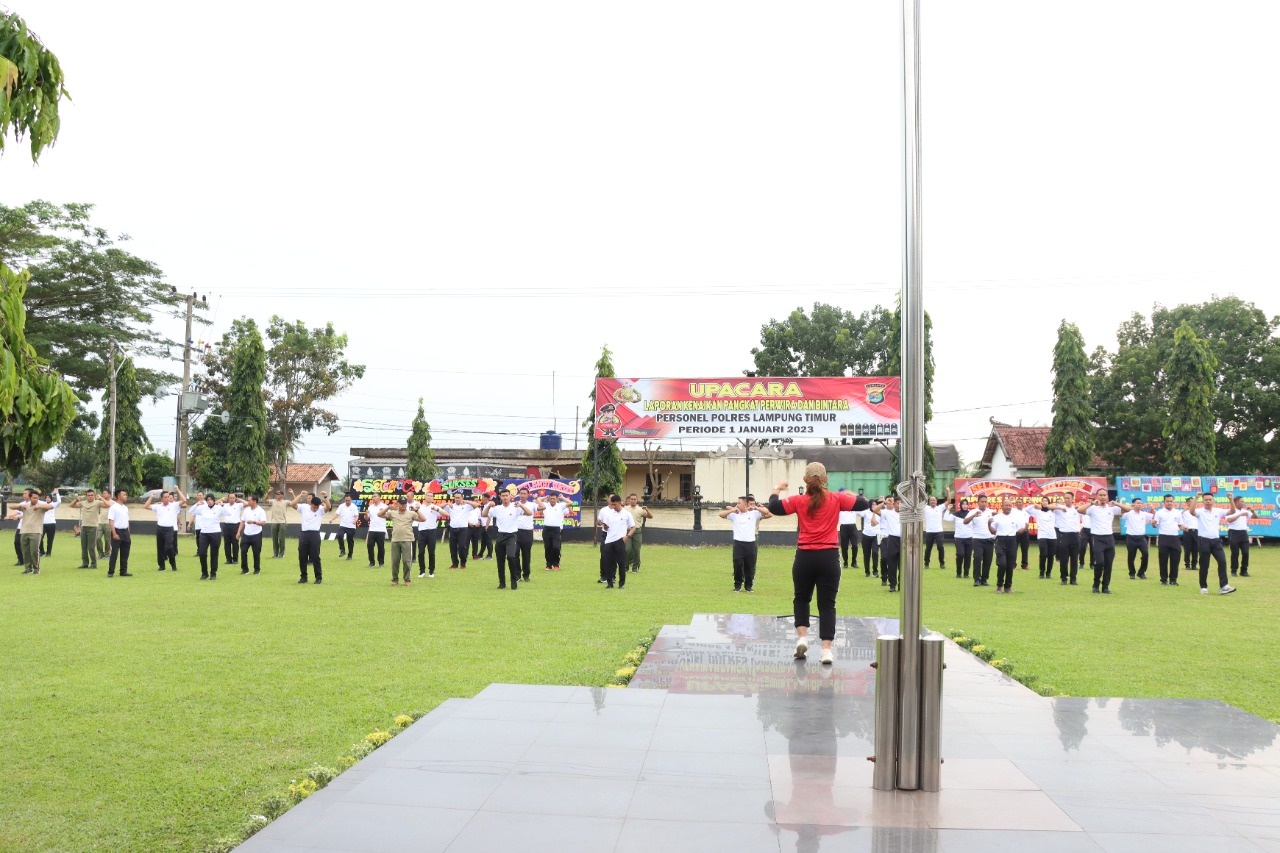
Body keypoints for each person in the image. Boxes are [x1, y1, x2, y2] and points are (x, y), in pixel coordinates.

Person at [768, 463, 870, 666]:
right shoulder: (837, 499)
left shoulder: (798, 501)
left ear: (805, 481)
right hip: (828, 557)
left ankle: (802, 638)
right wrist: (849, 493)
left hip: (804, 557)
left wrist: (777, 489)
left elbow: (773, 507)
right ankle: (826, 650)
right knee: (827, 605)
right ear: (825, 480)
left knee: (801, 599)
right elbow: (864, 503)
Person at [719, 495, 773, 592]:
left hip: (750, 544)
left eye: (739, 503)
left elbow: (767, 512)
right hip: (738, 544)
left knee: (750, 565)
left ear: (745, 504)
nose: (738, 504)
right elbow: (721, 515)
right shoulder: (735, 515)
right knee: (738, 564)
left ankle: (748, 586)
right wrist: (733, 510)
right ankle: (737, 585)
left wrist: (756, 507)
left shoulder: (753, 514)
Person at [1188, 491, 1235, 595]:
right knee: (1204, 564)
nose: (1208, 502)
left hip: (1216, 540)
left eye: (1210, 500)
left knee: (1222, 561)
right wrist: (1196, 498)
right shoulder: (1200, 511)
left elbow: (1232, 511)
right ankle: (1203, 586)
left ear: (1213, 500)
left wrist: (1231, 499)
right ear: (1203, 501)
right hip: (1203, 540)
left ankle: (1224, 586)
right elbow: (1191, 512)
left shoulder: (1218, 511)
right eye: (1206, 500)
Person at [483, 490, 531, 589]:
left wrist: (521, 505)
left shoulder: (515, 507)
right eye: (503, 496)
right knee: (500, 560)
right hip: (500, 535)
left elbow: (529, 513)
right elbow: (484, 515)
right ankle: (502, 583)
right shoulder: (497, 508)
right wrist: (488, 506)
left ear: (510, 497)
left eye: (507, 495)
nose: (505, 497)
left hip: (512, 535)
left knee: (511, 557)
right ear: (500, 497)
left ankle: (514, 581)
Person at [379, 496, 425, 586]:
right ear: (398, 504)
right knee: (395, 560)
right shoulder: (393, 513)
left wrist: (416, 510)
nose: (403, 505)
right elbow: (379, 514)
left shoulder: (411, 513)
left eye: (405, 503)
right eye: (401, 503)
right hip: (395, 540)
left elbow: (423, 519)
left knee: (406, 561)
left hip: (407, 540)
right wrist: (388, 507)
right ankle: (395, 579)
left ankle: (407, 579)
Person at [1084, 491, 1122, 594]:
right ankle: (1096, 585)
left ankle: (1105, 586)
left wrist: (1116, 503)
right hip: (1097, 538)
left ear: (1107, 496)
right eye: (1100, 495)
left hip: (1109, 538)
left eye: (1104, 495)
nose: (1102, 497)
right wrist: (1091, 503)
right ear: (1097, 497)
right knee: (1100, 562)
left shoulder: (1111, 508)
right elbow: (1080, 510)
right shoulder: (1093, 508)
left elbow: (1127, 510)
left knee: (1109, 564)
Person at [597, 493, 635, 589]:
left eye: (615, 504)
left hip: (620, 541)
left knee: (621, 563)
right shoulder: (609, 514)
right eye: (612, 504)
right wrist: (604, 526)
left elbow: (633, 527)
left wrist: (627, 536)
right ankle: (609, 583)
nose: (613, 506)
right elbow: (605, 528)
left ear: (620, 503)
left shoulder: (627, 514)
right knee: (608, 562)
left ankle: (621, 583)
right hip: (609, 541)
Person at [10, 491, 55, 574]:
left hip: (36, 531)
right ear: (30, 498)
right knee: (25, 551)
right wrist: (20, 506)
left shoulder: (41, 506)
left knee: (34, 551)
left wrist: (39, 506)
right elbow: (11, 506)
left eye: (37, 498)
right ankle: (28, 569)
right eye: (34, 498)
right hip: (24, 531)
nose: (36, 499)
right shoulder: (25, 505)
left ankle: (36, 569)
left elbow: (51, 506)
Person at [292, 491, 331, 584]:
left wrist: (325, 496)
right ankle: (303, 577)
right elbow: (293, 504)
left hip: (315, 534)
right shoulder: (304, 507)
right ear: (311, 503)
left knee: (315, 556)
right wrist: (300, 495)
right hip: (304, 534)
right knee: (302, 556)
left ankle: (318, 577)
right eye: (314, 507)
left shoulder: (320, 509)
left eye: (317, 507)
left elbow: (328, 507)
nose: (316, 509)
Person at [145, 487, 186, 572]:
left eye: (168, 497)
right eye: (165, 497)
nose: (167, 499)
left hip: (169, 529)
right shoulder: (158, 506)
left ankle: (173, 563)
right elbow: (146, 506)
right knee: (160, 548)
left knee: (169, 547)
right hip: (160, 528)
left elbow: (184, 500)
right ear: (161, 498)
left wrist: (178, 490)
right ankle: (161, 566)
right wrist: (151, 497)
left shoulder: (174, 505)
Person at [989, 498, 1024, 593]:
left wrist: (1024, 529)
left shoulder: (1015, 517)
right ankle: (999, 585)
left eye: (1010, 505)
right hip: (1001, 540)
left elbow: (1020, 529)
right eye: (1006, 505)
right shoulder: (997, 517)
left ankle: (1008, 586)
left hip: (1012, 541)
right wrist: (989, 524)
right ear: (1002, 506)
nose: (1008, 507)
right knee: (1002, 564)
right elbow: (993, 531)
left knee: (1010, 565)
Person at [190, 493, 227, 579]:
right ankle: (204, 573)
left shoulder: (218, 508)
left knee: (214, 554)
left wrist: (223, 505)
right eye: (208, 500)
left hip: (215, 533)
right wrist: (196, 504)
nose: (209, 501)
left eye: (211, 500)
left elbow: (228, 513)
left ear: (214, 500)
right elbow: (191, 511)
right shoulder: (203, 508)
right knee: (202, 553)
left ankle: (213, 573)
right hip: (204, 533)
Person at [1151, 494, 1184, 586]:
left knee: (1175, 560)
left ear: (1173, 502)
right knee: (1163, 560)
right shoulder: (1159, 512)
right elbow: (1155, 525)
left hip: (1175, 538)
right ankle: (1164, 580)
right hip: (1164, 538)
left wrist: (1184, 527)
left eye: (1171, 501)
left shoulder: (1177, 512)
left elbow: (1180, 525)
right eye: (1167, 501)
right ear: (1164, 502)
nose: (1169, 503)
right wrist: (1153, 524)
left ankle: (1173, 580)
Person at [1052, 496, 1085, 585]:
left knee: (1074, 558)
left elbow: (1085, 510)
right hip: (1064, 535)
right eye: (1065, 498)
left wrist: (1082, 505)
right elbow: (1048, 507)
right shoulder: (1060, 509)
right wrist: (1059, 507)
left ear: (1072, 499)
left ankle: (1073, 578)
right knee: (1064, 559)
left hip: (1075, 535)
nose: (1067, 500)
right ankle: (1064, 578)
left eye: (1069, 498)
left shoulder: (1076, 509)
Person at [964, 495, 996, 588]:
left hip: (989, 539)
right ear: (978, 502)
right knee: (977, 558)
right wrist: (973, 516)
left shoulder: (990, 512)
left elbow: (998, 517)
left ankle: (984, 579)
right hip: (977, 539)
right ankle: (976, 579)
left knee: (988, 560)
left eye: (985, 502)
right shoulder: (973, 512)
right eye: (982, 502)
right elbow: (965, 521)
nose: (984, 503)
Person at [1118, 497, 1153, 579]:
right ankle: (1132, 573)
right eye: (1138, 503)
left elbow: (1155, 515)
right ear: (1134, 504)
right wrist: (1129, 507)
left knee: (1145, 554)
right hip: (1131, 538)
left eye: (1141, 503)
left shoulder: (1144, 514)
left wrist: (1152, 508)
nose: (1140, 504)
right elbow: (1121, 513)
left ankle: (1141, 572)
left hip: (1141, 538)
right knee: (1131, 556)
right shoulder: (1128, 513)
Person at [71, 489, 105, 569]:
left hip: (93, 527)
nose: (90, 497)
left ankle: (93, 563)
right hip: (84, 527)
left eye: (92, 495)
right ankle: (85, 563)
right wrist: (76, 499)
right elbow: (71, 505)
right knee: (84, 546)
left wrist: (101, 498)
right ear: (86, 496)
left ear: (94, 495)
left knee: (91, 547)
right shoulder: (83, 503)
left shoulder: (97, 503)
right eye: (88, 495)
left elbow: (108, 505)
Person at [536, 491, 571, 571]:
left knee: (556, 547)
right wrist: (545, 497)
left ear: (556, 499)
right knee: (547, 547)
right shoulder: (545, 506)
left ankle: (556, 564)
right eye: (551, 499)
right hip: (547, 529)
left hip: (556, 529)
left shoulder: (560, 506)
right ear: (549, 499)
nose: (552, 500)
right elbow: (537, 500)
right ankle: (548, 565)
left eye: (554, 499)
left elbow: (570, 503)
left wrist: (562, 498)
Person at [873, 496, 902, 592]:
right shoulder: (888, 513)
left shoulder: (906, 514)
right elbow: (875, 510)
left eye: (902, 503)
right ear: (894, 504)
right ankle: (892, 584)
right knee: (892, 563)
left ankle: (901, 584)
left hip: (903, 540)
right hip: (892, 539)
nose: (900, 505)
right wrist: (883, 503)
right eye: (898, 503)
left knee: (902, 564)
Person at [442, 492, 476, 569]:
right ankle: (454, 563)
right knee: (452, 547)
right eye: (456, 497)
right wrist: (447, 503)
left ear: (462, 498)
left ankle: (463, 563)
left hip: (463, 529)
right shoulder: (451, 506)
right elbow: (438, 507)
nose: (457, 499)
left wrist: (467, 501)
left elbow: (476, 505)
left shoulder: (467, 506)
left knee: (462, 547)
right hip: (453, 528)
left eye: (459, 497)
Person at [1025, 496, 1057, 579]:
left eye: (1046, 501)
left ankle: (1048, 572)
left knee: (1050, 555)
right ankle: (1041, 572)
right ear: (1041, 503)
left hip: (1052, 536)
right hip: (1042, 536)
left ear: (1049, 503)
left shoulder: (1053, 512)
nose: (1044, 502)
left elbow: (1057, 506)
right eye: (1043, 501)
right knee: (1043, 554)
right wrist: (1033, 504)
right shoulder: (1038, 512)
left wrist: (1049, 506)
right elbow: (1027, 510)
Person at [238, 494, 267, 575]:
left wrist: (254, 522)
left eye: (249, 500)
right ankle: (245, 569)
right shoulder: (246, 510)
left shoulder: (261, 511)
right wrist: (238, 532)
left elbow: (263, 522)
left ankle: (257, 569)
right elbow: (242, 521)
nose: (248, 502)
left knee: (256, 553)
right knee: (243, 551)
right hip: (246, 534)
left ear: (254, 501)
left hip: (256, 534)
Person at [415, 497, 444, 578]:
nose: (429, 497)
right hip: (422, 530)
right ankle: (422, 571)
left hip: (432, 531)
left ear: (432, 498)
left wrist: (437, 510)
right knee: (421, 552)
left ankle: (431, 571)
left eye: (431, 496)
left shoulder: (434, 507)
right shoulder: (420, 506)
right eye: (428, 495)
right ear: (425, 497)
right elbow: (413, 513)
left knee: (431, 552)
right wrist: (416, 508)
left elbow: (446, 514)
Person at [623, 493, 652, 574]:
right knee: (627, 549)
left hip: (637, 531)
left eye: (634, 499)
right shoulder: (625, 509)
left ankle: (635, 567)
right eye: (631, 499)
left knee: (636, 550)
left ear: (637, 500)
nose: (632, 501)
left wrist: (647, 510)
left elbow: (650, 516)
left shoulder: (640, 509)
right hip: (627, 531)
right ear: (629, 500)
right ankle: (625, 567)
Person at [107, 489, 133, 577]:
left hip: (125, 532)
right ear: (118, 496)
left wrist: (128, 533)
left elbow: (127, 521)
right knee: (114, 553)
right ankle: (111, 571)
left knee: (125, 553)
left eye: (126, 494)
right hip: (117, 531)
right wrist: (114, 533)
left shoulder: (125, 507)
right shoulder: (113, 507)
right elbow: (111, 521)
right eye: (124, 494)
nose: (126, 496)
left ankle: (123, 571)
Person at [1225, 495, 1253, 577]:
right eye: (1241, 501)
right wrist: (1239, 515)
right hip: (1234, 533)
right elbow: (1229, 520)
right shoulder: (1231, 511)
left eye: (1243, 501)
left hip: (1243, 533)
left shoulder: (1244, 511)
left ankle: (1244, 570)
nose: (1243, 503)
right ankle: (1234, 570)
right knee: (1235, 553)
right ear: (1236, 502)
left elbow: (1255, 517)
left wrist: (1253, 511)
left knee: (1245, 552)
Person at [514, 487, 539, 582]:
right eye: (521, 493)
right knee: (515, 553)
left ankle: (526, 575)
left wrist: (537, 498)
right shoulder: (514, 504)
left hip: (527, 532)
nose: (522, 495)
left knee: (526, 554)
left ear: (528, 495)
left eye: (524, 493)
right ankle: (517, 575)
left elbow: (542, 507)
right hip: (516, 531)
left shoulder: (532, 505)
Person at [944, 497, 972, 580]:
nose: (964, 506)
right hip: (959, 537)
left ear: (968, 505)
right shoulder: (956, 514)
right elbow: (946, 518)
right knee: (960, 554)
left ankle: (966, 573)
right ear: (960, 505)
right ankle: (959, 572)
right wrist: (948, 509)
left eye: (966, 504)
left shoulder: (971, 514)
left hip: (969, 537)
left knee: (968, 556)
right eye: (963, 504)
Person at [922, 489, 947, 571]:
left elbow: (949, 501)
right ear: (929, 502)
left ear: (937, 501)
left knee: (940, 547)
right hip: (929, 531)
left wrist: (948, 491)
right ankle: (926, 563)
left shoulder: (940, 508)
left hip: (939, 531)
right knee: (928, 548)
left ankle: (942, 563)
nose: (932, 501)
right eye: (931, 500)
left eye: (934, 500)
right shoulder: (925, 508)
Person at [857, 499, 881, 578]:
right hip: (866, 535)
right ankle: (867, 572)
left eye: (875, 504)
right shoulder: (866, 512)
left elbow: (875, 523)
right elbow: (858, 512)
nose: (874, 506)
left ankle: (875, 571)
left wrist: (875, 512)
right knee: (866, 554)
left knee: (875, 553)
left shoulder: (879, 512)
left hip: (876, 535)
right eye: (872, 504)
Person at [331, 494, 359, 560]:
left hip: (351, 526)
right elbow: (337, 513)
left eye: (348, 500)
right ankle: (342, 550)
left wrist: (355, 520)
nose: (347, 502)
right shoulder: (341, 506)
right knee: (339, 535)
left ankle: (350, 555)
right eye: (346, 500)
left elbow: (356, 515)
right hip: (343, 525)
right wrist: (332, 519)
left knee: (350, 541)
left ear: (351, 500)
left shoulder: (354, 507)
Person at [837, 490, 860, 571]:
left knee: (855, 545)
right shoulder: (840, 506)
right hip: (844, 527)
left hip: (853, 526)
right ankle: (845, 562)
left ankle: (854, 562)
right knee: (844, 546)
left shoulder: (853, 506)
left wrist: (849, 493)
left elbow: (859, 498)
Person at [364, 494, 388, 568]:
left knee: (380, 547)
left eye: (375, 496)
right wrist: (366, 514)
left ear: (379, 497)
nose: (373, 498)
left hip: (381, 529)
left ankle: (381, 562)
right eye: (372, 496)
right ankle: (372, 562)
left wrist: (382, 512)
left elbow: (387, 516)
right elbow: (367, 519)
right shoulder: (370, 507)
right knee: (370, 546)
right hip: (372, 529)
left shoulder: (384, 506)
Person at [220, 493, 243, 565]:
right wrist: (220, 499)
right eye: (230, 498)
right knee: (227, 543)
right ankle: (228, 559)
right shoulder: (225, 506)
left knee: (235, 543)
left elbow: (247, 503)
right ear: (228, 499)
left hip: (235, 525)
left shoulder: (238, 505)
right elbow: (215, 503)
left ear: (235, 499)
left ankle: (235, 559)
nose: (232, 499)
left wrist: (240, 500)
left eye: (233, 498)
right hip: (226, 525)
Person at [9, 487, 29, 566]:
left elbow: (28, 514)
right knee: (17, 542)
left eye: (25, 494)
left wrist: (18, 517)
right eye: (23, 493)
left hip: (30, 527)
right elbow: (16, 511)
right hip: (21, 527)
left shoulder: (35, 504)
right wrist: (9, 516)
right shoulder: (22, 504)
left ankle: (30, 561)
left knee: (28, 545)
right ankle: (21, 560)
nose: (23, 495)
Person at [1180, 496, 1199, 574]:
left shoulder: (1197, 511)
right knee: (1187, 549)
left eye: (1193, 501)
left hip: (1196, 531)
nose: (1192, 503)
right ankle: (1187, 564)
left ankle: (1194, 565)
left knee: (1196, 549)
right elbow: (1177, 517)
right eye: (1191, 501)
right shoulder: (1184, 512)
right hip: (1187, 531)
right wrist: (1184, 510)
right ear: (1187, 503)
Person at [267, 490, 289, 558]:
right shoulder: (273, 501)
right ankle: (275, 554)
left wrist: (293, 493)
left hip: (282, 522)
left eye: (278, 494)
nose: (277, 495)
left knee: (281, 539)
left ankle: (281, 554)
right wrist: (268, 493)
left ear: (282, 495)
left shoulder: (285, 502)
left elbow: (294, 503)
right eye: (276, 494)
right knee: (274, 539)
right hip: (274, 521)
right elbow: (265, 500)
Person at [40, 488, 60, 556]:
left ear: (51, 498)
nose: (47, 499)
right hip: (43, 523)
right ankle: (42, 551)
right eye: (46, 497)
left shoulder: (54, 504)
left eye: (49, 497)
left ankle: (48, 553)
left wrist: (56, 493)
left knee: (50, 539)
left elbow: (59, 501)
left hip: (51, 523)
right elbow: (36, 501)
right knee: (40, 537)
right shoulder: (43, 504)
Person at [1012, 497, 1031, 570]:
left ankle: (1024, 565)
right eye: (1018, 502)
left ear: (1023, 503)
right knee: (1013, 549)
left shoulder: (1026, 511)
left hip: (1025, 532)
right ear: (1016, 503)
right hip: (1015, 532)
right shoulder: (1013, 510)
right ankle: (1013, 565)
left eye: (1020, 502)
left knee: (1025, 549)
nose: (1019, 503)